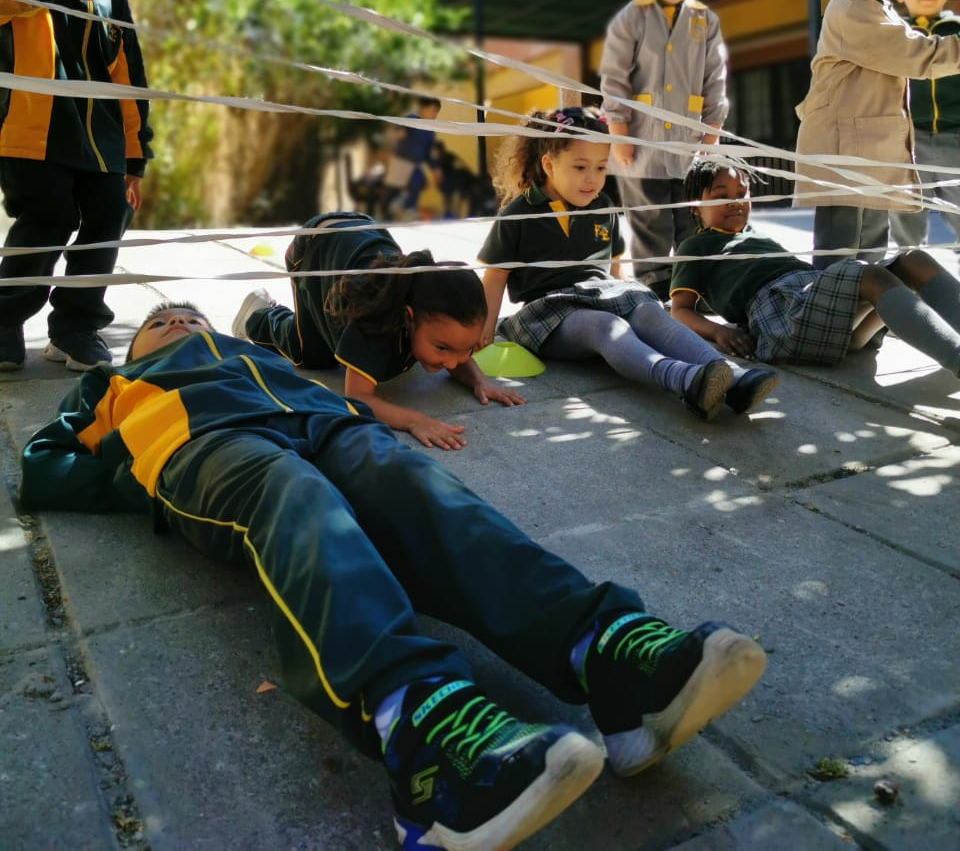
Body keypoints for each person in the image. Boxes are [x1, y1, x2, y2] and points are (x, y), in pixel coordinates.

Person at [19, 301, 767, 851]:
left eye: (190, 316)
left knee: (420, 492)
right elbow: (42, 466)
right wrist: (135, 474)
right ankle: (421, 734)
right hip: (207, 445)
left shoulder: (256, 354)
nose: (179, 322)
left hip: (325, 425)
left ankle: (604, 654)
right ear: (134, 348)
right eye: (160, 322)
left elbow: (316, 358)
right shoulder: (112, 385)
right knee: (295, 498)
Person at [477, 108, 777, 421]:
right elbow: (495, 278)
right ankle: (686, 380)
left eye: (601, 167)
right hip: (549, 314)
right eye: (580, 167)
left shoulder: (604, 207)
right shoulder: (518, 213)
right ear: (548, 164)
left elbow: (615, 272)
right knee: (607, 326)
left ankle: (734, 378)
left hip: (597, 295)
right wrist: (482, 337)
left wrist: (630, 303)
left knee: (648, 312)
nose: (592, 178)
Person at [0, 0, 154, 373]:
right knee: (49, 216)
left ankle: (76, 328)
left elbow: (128, 78)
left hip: (102, 142)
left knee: (109, 215)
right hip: (32, 130)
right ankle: (3, 321)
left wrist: (135, 156)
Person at [232, 211, 524, 449]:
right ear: (408, 317)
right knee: (311, 353)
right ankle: (258, 314)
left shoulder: (428, 311)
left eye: (467, 349)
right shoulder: (374, 322)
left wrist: (479, 381)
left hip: (364, 232)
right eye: (442, 348)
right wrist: (414, 421)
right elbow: (358, 398)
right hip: (317, 242)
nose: (452, 363)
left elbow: (456, 348)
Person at [670, 158, 960, 374]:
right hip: (782, 315)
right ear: (694, 207)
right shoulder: (696, 246)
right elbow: (680, 310)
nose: (735, 202)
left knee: (912, 260)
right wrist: (718, 332)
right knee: (870, 275)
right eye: (721, 196)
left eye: (741, 193)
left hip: (821, 310)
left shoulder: (754, 235)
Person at [794, 0, 960, 267]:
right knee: (841, 253)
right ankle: (837, 305)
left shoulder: (877, 5)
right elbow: (920, 56)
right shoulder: (852, 10)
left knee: (870, 248)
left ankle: (872, 302)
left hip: (870, 148)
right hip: (843, 151)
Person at [599, 0, 728, 299]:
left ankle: (691, 288)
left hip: (688, 143)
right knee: (650, 219)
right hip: (641, 143)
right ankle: (653, 287)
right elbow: (614, 79)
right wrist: (619, 134)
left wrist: (712, 130)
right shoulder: (630, 19)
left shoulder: (705, 21)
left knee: (691, 217)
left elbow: (714, 78)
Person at [888, 0, 960, 248]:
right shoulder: (892, 33)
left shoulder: (957, 32)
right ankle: (910, 265)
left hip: (955, 138)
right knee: (906, 215)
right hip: (908, 142)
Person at [382, 95, 441, 219]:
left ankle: (408, 208)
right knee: (392, 190)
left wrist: (434, 169)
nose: (434, 114)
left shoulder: (430, 131)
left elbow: (428, 153)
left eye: (436, 112)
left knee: (418, 181)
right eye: (432, 110)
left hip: (415, 164)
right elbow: (397, 130)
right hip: (401, 162)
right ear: (423, 108)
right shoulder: (412, 119)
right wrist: (399, 133)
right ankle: (387, 211)